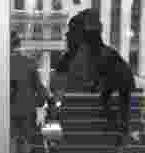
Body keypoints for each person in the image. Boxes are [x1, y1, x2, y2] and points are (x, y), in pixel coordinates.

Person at [54, 9, 135, 142]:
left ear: (83, 35)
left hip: (89, 139)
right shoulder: (113, 59)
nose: (67, 35)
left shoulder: (71, 61)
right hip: (95, 139)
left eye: (72, 31)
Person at [10, 31, 51, 153]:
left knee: (11, 139)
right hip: (27, 109)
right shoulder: (29, 63)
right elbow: (39, 88)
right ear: (18, 44)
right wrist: (43, 102)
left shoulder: (1, 63)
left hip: (7, 110)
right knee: (25, 140)